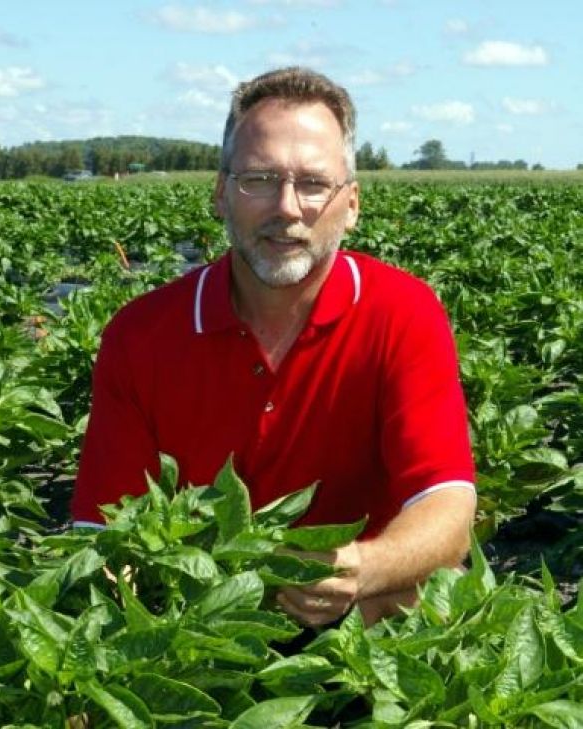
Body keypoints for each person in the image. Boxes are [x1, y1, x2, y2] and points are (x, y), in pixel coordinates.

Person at [71, 67, 476, 627]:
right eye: (258, 179)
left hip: (363, 615)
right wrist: (152, 628)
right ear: (220, 194)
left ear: (351, 205)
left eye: (313, 183)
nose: (286, 207)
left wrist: (363, 568)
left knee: (427, 599)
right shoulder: (141, 335)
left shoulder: (403, 313)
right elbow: (104, 531)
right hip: (201, 624)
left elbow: (447, 506)